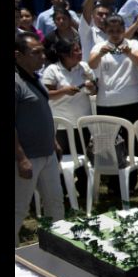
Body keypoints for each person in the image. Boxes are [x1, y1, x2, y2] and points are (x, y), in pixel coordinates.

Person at [15, 31, 65, 246]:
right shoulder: (15, 82)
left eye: (42, 51)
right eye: (35, 53)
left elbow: (42, 111)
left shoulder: (35, 77)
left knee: (55, 203)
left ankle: (60, 246)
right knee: (19, 208)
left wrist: (53, 141)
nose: (42, 56)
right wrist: (21, 158)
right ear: (18, 55)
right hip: (27, 158)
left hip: (47, 154)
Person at [42, 38, 97, 198]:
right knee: (62, 160)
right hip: (62, 125)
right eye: (76, 51)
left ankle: (85, 192)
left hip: (82, 123)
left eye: (80, 49)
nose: (80, 53)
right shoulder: (52, 70)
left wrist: (91, 86)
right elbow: (47, 94)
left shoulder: (84, 67)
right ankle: (62, 192)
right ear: (64, 55)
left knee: (83, 158)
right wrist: (64, 91)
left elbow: (94, 91)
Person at [87, 14, 138, 123]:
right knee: (109, 139)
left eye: (118, 30)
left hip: (132, 100)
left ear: (124, 29)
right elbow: (92, 65)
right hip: (106, 102)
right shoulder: (99, 46)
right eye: (111, 31)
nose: (115, 34)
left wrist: (129, 53)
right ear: (105, 30)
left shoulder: (133, 44)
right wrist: (100, 54)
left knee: (133, 138)